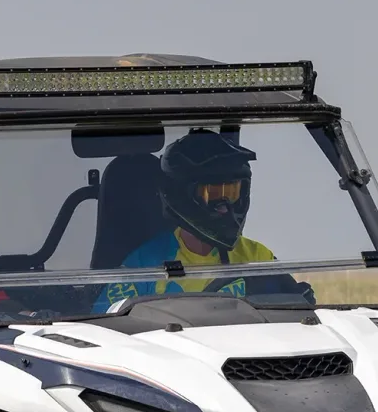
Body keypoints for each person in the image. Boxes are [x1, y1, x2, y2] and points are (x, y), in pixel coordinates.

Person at [101, 130, 276, 310]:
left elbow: (296, 310)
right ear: (181, 196)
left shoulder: (258, 258)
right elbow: (106, 326)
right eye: (214, 195)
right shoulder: (143, 267)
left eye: (232, 194)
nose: (225, 208)